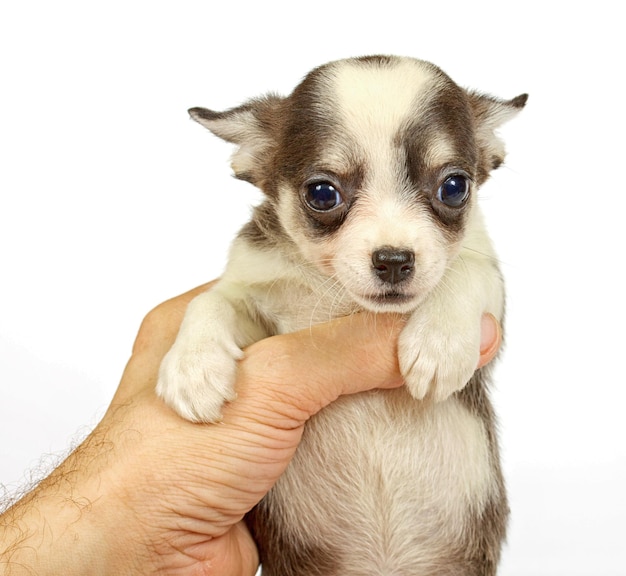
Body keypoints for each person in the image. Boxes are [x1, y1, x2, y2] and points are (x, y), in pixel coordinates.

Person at [0, 283, 502, 576]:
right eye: (324, 195)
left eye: (450, 188)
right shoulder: (259, 269)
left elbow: (480, 282)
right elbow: (232, 301)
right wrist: (208, 327)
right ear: (260, 166)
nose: (392, 240)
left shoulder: (467, 265)